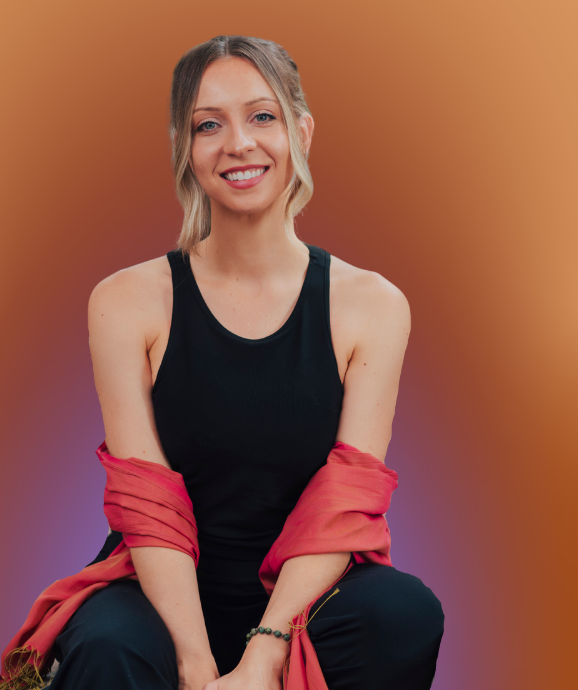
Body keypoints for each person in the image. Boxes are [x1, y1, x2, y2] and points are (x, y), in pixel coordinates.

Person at [36, 35, 444, 689]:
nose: (238, 144)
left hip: (303, 599)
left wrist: (265, 652)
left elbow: (346, 499)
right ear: (185, 147)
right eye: (208, 125)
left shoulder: (372, 305)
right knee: (109, 643)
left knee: (403, 614)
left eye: (262, 116)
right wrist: (197, 668)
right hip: (157, 597)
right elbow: (147, 501)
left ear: (301, 132)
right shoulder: (126, 302)